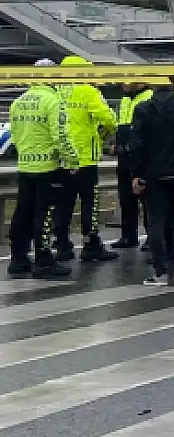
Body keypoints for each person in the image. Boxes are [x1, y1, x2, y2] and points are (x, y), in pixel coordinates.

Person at [126, 86, 174, 287]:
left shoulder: (143, 109)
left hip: (153, 174)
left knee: (156, 220)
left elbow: (136, 145)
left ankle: (160, 271)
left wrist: (136, 174)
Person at [7, 61, 77, 279]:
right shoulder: (53, 101)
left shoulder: (18, 102)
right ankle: (44, 260)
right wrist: (72, 161)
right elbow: (61, 136)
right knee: (44, 214)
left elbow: (15, 136)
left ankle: (18, 258)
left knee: (22, 212)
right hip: (48, 167)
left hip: (25, 165)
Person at [51, 56, 118, 263]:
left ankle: (62, 245)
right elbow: (109, 119)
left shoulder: (55, 91)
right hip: (85, 160)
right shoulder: (88, 91)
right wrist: (102, 135)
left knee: (62, 204)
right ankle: (91, 244)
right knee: (89, 203)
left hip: (60, 159)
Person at [113, 81, 153, 250]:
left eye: (128, 80)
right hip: (124, 157)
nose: (123, 83)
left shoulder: (149, 98)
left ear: (140, 82)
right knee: (126, 198)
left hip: (141, 158)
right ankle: (128, 236)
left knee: (147, 200)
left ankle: (152, 237)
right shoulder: (124, 100)